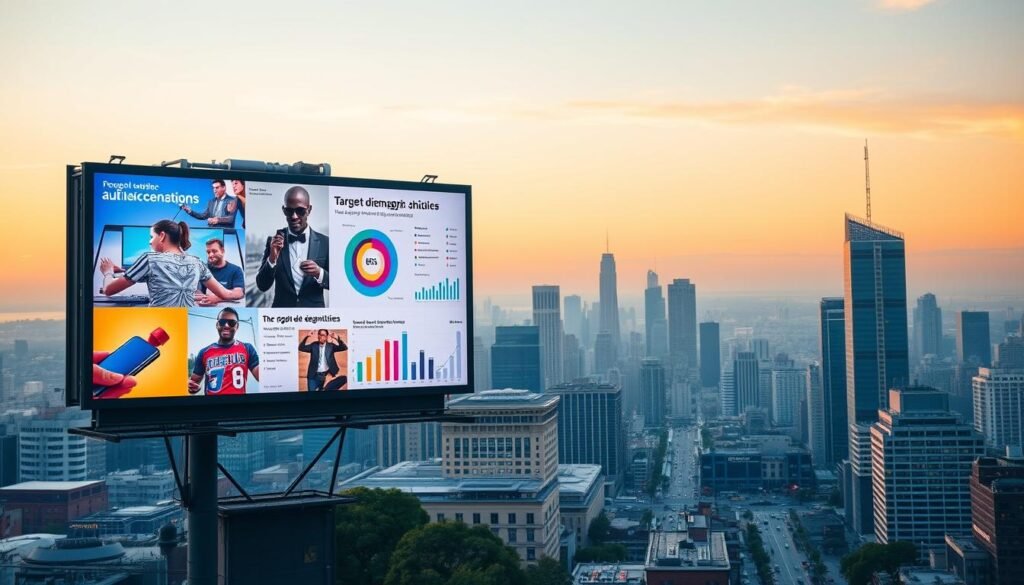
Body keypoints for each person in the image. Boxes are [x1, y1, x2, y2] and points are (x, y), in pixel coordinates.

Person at [99, 220, 234, 307]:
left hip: (159, 321)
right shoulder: (197, 262)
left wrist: (108, 272)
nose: (150, 242)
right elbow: (226, 294)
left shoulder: (149, 259)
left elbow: (109, 290)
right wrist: (215, 297)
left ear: (162, 236)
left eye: (152, 237)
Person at [255, 186, 329, 307]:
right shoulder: (272, 242)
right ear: (284, 210)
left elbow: (338, 285)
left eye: (300, 210)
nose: (294, 216)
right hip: (282, 319)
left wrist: (319, 273)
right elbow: (262, 286)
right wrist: (272, 259)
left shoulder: (325, 242)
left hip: (315, 318)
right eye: (289, 211)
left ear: (309, 210)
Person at [189, 307, 260, 395]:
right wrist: (193, 388)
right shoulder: (203, 352)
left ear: (237, 326)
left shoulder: (247, 348)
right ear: (217, 325)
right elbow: (192, 386)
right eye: (222, 322)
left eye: (231, 323)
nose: (226, 325)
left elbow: (261, 377)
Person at [195, 238, 244, 306]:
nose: (210, 255)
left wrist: (217, 298)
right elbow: (196, 291)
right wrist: (204, 298)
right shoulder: (202, 269)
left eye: (214, 251)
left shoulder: (236, 270)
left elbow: (239, 293)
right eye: (208, 252)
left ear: (222, 251)